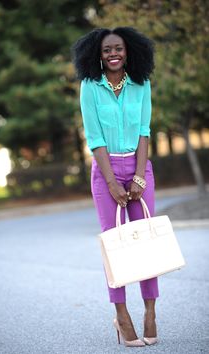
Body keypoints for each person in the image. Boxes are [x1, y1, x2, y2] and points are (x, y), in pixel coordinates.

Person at [72, 27, 159, 347]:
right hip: (106, 170)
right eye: (107, 49)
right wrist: (111, 182)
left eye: (118, 48)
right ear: (98, 53)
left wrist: (138, 176)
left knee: (146, 244)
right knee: (115, 248)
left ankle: (150, 312)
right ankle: (122, 316)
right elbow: (94, 138)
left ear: (129, 51)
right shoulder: (90, 87)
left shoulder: (141, 83)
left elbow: (144, 131)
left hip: (138, 167)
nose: (112, 54)